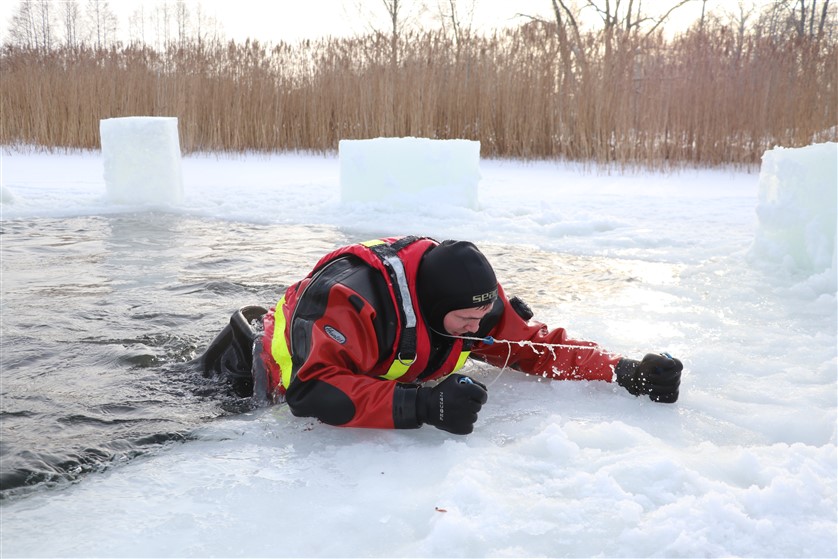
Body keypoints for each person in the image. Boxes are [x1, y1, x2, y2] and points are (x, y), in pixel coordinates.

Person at [200, 236, 683, 435]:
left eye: (483, 317)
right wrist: (424, 406)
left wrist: (625, 371)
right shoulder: (350, 302)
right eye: (467, 322)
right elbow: (312, 391)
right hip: (247, 376)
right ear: (431, 308)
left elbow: (537, 348)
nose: (479, 330)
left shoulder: (473, 303)